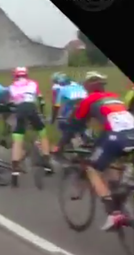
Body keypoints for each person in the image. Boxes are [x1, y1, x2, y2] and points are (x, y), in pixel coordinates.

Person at [54, 71, 134, 231]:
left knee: (92, 168)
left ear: (88, 86)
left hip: (115, 137)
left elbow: (74, 127)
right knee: (114, 159)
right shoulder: (114, 97)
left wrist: (60, 146)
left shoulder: (88, 101)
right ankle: (121, 188)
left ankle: (113, 213)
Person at [7, 67, 52, 186]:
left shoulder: (11, 87)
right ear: (26, 75)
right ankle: (47, 163)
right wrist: (42, 113)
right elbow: (41, 100)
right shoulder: (33, 83)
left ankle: (15, 171)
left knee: (18, 140)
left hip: (20, 110)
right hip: (31, 108)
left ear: (15, 76)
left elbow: (11, 103)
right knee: (42, 133)